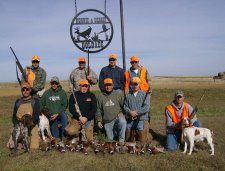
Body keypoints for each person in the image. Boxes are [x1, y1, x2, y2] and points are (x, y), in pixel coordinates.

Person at [7, 82, 40, 149]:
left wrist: (28, 125)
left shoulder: (35, 101)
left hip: (31, 125)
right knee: (10, 145)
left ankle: (36, 138)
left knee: (34, 147)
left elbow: (36, 116)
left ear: (30, 90)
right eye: (23, 89)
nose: (25, 91)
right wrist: (17, 124)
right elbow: (14, 116)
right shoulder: (18, 101)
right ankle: (21, 142)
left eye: (27, 89)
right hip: (20, 125)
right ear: (21, 91)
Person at [96, 78, 126, 143]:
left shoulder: (118, 94)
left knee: (123, 122)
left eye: (109, 85)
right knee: (110, 139)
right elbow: (98, 109)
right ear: (104, 86)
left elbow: (124, 105)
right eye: (106, 85)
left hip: (117, 117)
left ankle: (121, 141)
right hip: (107, 120)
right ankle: (115, 136)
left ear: (112, 85)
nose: (108, 87)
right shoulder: (100, 96)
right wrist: (99, 121)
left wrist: (122, 113)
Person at [124, 77, 151, 145]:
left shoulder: (144, 94)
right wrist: (130, 112)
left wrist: (136, 113)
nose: (135, 86)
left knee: (140, 129)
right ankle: (129, 141)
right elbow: (125, 106)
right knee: (128, 127)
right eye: (133, 84)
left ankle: (145, 140)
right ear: (131, 85)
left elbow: (146, 107)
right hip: (131, 118)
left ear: (139, 85)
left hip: (141, 118)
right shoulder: (128, 95)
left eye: (136, 84)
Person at [41, 76, 68, 140]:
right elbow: (41, 104)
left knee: (64, 117)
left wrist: (58, 113)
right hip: (50, 115)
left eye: (56, 83)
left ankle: (64, 135)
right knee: (55, 136)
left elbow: (65, 104)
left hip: (60, 113)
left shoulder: (62, 92)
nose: (54, 85)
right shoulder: (46, 93)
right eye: (53, 83)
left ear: (58, 84)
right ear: (51, 83)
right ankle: (56, 133)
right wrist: (47, 114)